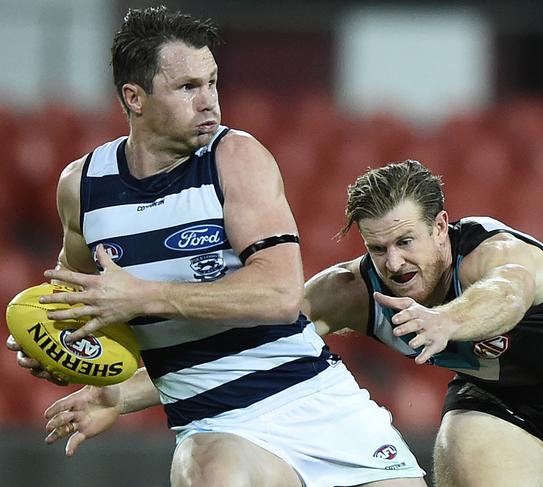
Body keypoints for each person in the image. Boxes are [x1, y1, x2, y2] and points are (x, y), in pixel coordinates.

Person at [5, 7, 427, 487]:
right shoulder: (83, 188)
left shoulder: (236, 158)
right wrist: (56, 348)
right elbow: (79, 302)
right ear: (134, 97)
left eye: (212, 82)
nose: (209, 102)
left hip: (313, 398)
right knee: (211, 475)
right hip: (217, 426)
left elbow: (279, 296)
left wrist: (145, 297)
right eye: (188, 87)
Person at [302, 159, 543, 487]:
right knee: (463, 439)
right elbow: (276, 325)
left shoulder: (493, 252)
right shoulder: (351, 291)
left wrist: (445, 320)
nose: (393, 263)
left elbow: (510, 293)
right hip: (503, 398)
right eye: (377, 248)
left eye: (405, 242)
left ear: (439, 227)